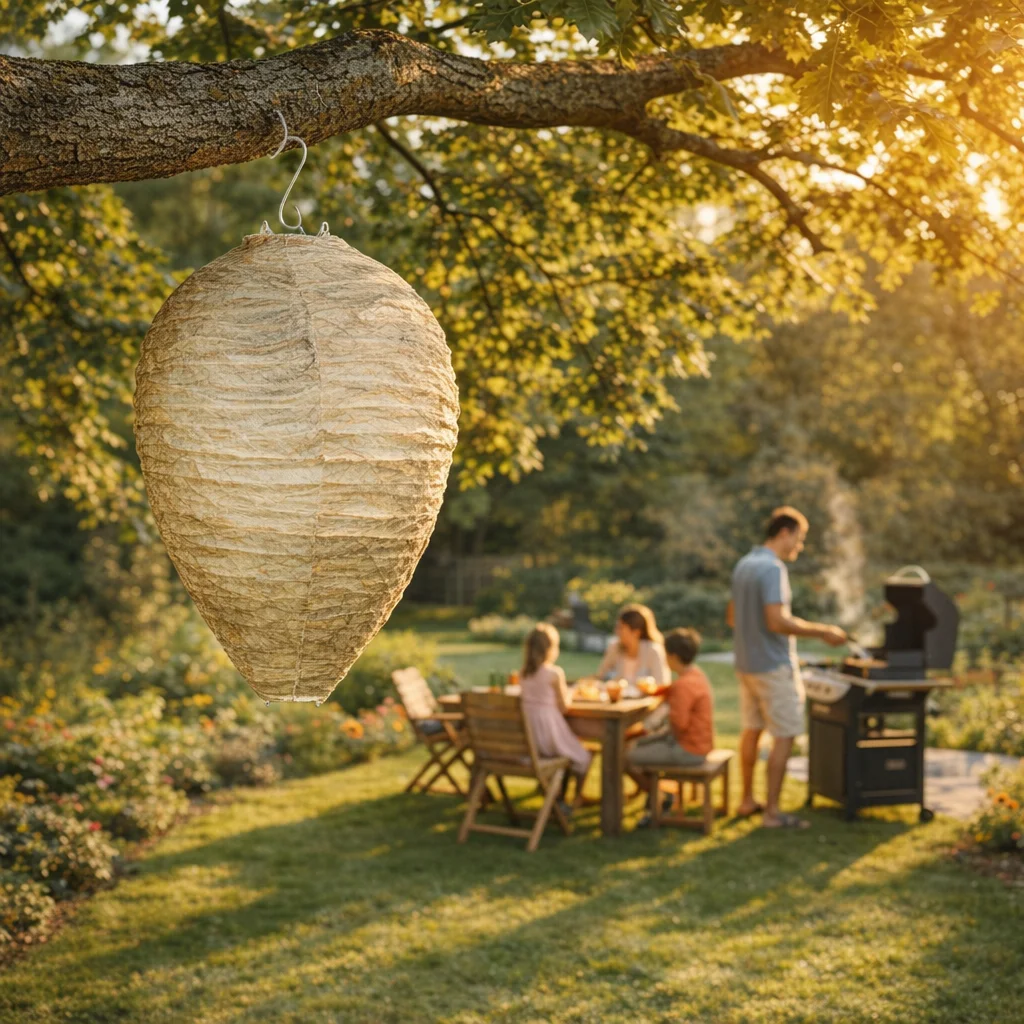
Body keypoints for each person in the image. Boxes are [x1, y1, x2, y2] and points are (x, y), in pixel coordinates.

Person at [730, 506, 847, 829]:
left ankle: (746, 800)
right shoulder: (772, 568)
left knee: (751, 730)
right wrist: (823, 631)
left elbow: (731, 616)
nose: (800, 545)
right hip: (773, 667)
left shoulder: (744, 564)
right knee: (785, 735)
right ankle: (772, 813)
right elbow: (777, 620)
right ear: (785, 532)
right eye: (800, 537)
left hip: (745, 665)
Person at [628, 629, 714, 831]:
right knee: (636, 744)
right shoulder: (696, 675)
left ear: (673, 656)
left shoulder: (683, 686)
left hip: (688, 749)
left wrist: (652, 729)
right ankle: (657, 798)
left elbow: (679, 725)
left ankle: (660, 797)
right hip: (699, 744)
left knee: (626, 756)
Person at [519, 623, 592, 810]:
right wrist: (572, 693)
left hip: (530, 739)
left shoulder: (523, 674)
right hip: (549, 734)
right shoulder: (554, 673)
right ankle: (576, 798)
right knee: (584, 756)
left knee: (567, 751)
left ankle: (557, 797)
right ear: (551, 649)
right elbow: (564, 706)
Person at [596, 604, 670, 686]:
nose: (616, 631)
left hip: (644, 698)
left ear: (636, 632)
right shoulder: (615, 647)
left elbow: (662, 683)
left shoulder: (653, 650)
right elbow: (600, 676)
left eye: (621, 628)